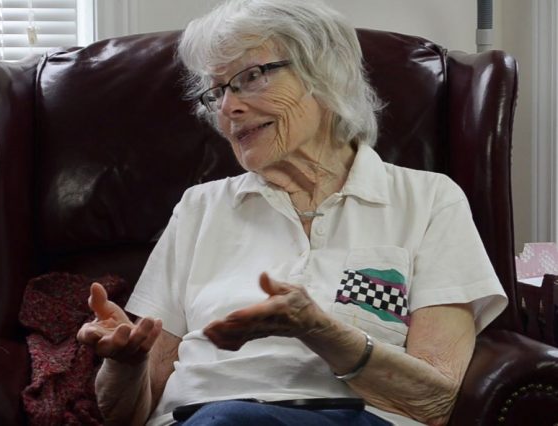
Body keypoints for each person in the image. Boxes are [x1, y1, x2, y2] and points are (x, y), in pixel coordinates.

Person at [76, 0, 508, 425]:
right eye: (218, 91)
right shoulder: (199, 207)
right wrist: (126, 364)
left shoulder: (427, 199)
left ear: (326, 74)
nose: (228, 108)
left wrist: (319, 330)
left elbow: (435, 400)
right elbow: (126, 414)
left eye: (251, 77)